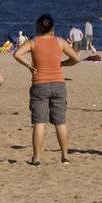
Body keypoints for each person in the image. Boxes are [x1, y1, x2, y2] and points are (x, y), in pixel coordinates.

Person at [12, 14, 79, 165]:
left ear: (38, 27)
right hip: (58, 83)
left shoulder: (34, 42)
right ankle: (65, 156)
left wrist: (29, 66)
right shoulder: (60, 41)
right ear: (52, 28)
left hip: (40, 83)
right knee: (60, 122)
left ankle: (36, 158)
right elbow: (76, 58)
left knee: (39, 122)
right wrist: (62, 64)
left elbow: (17, 54)